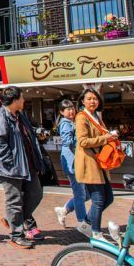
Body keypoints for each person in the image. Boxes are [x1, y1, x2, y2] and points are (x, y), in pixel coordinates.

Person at [0, 86, 45, 249]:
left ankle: (13, 219)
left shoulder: (20, 116)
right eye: (21, 98)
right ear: (14, 100)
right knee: (14, 200)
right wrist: (11, 162)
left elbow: (26, 135)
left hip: (28, 165)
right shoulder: (0, 117)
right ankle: (16, 234)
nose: (24, 100)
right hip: (12, 168)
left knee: (36, 194)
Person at [75, 88, 116, 240]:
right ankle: (96, 232)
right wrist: (106, 138)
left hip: (99, 162)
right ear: (82, 101)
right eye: (89, 99)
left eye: (95, 99)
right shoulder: (81, 117)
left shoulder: (96, 116)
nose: (93, 101)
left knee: (108, 198)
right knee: (98, 199)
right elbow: (83, 141)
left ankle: (85, 223)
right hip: (89, 163)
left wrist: (110, 136)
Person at [53, 100, 91, 236]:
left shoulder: (72, 122)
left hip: (77, 161)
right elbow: (67, 141)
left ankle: (64, 210)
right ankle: (83, 223)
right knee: (80, 193)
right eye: (67, 109)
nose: (71, 111)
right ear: (61, 112)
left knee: (86, 193)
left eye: (72, 108)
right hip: (72, 162)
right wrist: (79, 134)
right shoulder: (66, 124)